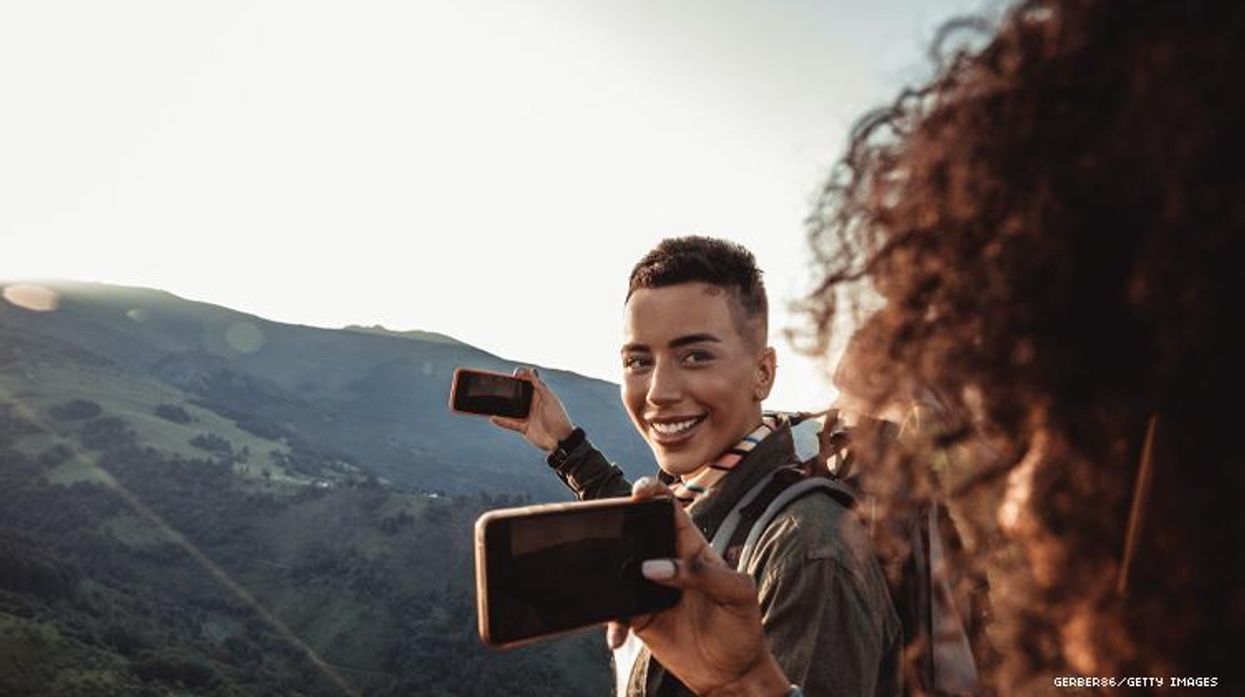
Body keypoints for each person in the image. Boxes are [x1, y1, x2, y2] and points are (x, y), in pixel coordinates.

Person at [596, 0, 1245, 693]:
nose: (1022, 504)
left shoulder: (810, 543)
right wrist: (746, 683)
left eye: (1064, 428)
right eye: (638, 358)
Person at [491, 236, 901, 696]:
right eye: (638, 361)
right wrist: (564, 444)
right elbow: (673, 531)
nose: (658, 392)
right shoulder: (706, 494)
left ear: (762, 373)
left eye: (695, 356)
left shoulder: (810, 551)